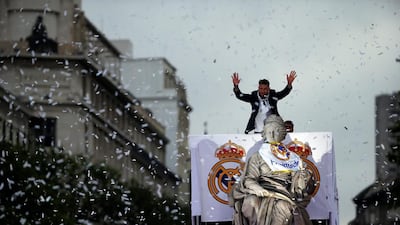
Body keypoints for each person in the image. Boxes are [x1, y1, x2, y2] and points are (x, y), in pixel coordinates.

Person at [229, 115, 315, 225]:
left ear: (283, 134)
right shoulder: (257, 156)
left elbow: (307, 186)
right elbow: (249, 179)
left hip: (284, 193)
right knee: (251, 202)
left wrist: (304, 177)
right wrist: (259, 189)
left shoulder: (293, 158)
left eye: (277, 130)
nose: (273, 134)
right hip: (261, 191)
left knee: (282, 206)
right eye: (269, 131)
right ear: (264, 133)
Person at [232, 71, 297, 134]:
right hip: (257, 130)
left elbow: (284, 92)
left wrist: (289, 84)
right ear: (258, 88)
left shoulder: (273, 96)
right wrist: (236, 86)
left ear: (269, 88)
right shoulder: (253, 97)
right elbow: (240, 96)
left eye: (265, 89)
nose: (262, 91)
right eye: (261, 88)